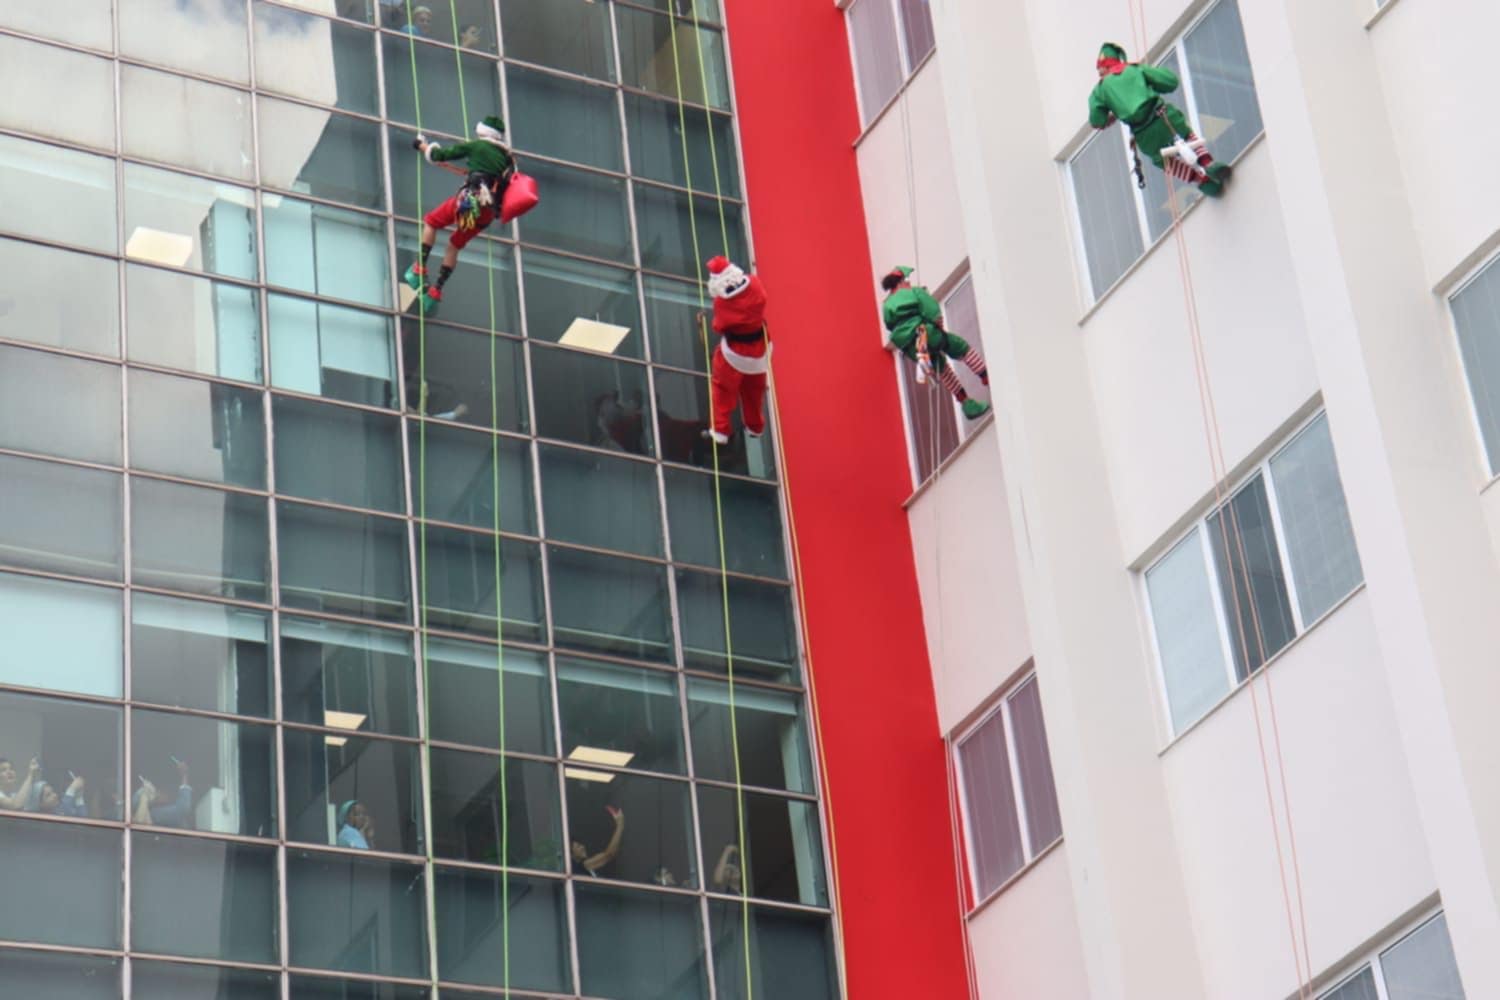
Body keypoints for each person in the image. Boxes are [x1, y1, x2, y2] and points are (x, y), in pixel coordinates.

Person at [1088, 42, 1231, 197]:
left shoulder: (1099, 90)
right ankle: (1208, 163)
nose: (1099, 74)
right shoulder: (1135, 69)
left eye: (1099, 70)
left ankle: (1201, 181)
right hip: (1162, 116)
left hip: (1144, 134)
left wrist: (1113, 113)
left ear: (1105, 67)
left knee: (1163, 160)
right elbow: (1170, 82)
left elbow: (1097, 121)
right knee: (1186, 135)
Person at [406, 116, 516, 312]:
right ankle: (436, 291)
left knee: (431, 222)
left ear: (484, 132)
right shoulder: (508, 160)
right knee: (454, 245)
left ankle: (419, 268)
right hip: (487, 212)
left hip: (468, 201)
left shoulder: (478, 146)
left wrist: (422, 146)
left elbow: (440, 155)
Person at [880, 266, 991, 420]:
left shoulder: (886, 307)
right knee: (959, 346)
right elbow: (932, 311)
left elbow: (889, 326)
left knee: (942, 369)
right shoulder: (914, 292)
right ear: (900, 282)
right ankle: (986, 376)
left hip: (914, 349)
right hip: (926, 333)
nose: (909, 283)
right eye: (907, 281)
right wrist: (939, 328)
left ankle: (967, 404)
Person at [702, 255, 770, 446]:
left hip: (735, 352)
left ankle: (721, 430)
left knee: (722, 389)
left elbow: (719, 325)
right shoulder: (755, 285)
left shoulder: (723, 304)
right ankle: (755, 426)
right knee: (753, 390)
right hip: (759, 348)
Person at [133, 758, 194, 829]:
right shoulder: (154, 813)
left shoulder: (158, 814)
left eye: (162, 792)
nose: (158, 794)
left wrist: (184, 775)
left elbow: (182, 808)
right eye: (158, 791)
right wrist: (144, 791)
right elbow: (182, 808)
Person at [571, 805, 625, 877]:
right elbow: (609, 855)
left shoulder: (585, 867)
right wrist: (620, 825)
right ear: (571, 854)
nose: (583, 847)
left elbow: (611, 854)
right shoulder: (583, 866)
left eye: (581, 845)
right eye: (578, 847)